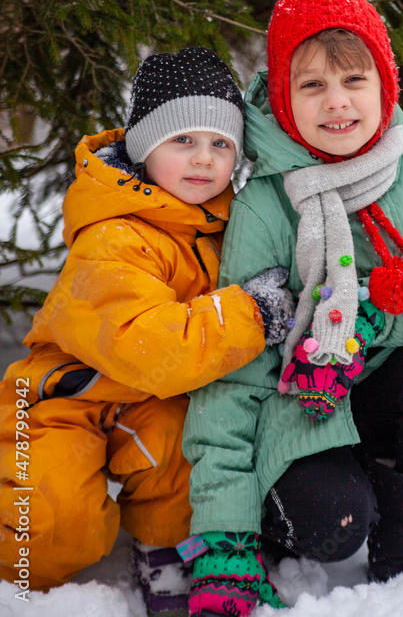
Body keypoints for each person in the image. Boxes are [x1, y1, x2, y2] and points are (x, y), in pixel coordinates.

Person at [181, 0, 403, 617]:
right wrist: (227, 534)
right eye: (311, 86)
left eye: (354, 79)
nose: (337, 103)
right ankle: (307, 507)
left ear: (385, 84)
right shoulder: (267, 201)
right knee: (334, 525)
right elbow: (232, 372)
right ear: (282, 96)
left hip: (387, 391)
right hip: (302, 408)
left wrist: (379, 319)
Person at [0, 47, 293, 617]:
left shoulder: (222, 224)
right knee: (47, 533)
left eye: (221, 144)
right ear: (142, 145)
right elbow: (149, 344)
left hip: (150, 402)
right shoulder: (113, 234)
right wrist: (253, 314)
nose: (204, 159)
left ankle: (166, 549)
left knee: (186, 449)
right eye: (182, 140)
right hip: (63, 398)